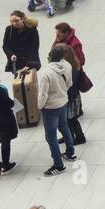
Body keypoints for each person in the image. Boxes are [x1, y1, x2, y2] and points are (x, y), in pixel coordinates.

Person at [36, 46, 76, 176]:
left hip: (50, 108)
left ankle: (59, 165)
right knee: (64, 127)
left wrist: (40, 106)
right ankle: (70, 152)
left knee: (51, 136)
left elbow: (43, 94)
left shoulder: (46, 73)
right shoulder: (67, 65)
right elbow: (69, 83)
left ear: (49, 57)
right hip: (63, 101)